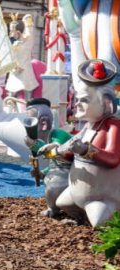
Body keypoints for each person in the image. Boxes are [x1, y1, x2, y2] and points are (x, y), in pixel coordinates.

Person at [38, 59, 120, 227]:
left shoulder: (113, 126)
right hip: (78, 192)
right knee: (62, 203)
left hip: (102, 195)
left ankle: (101, 218)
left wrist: (85, 149)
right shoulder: (89, 126)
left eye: (83, 100)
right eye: (76, 100)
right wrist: (56, 149)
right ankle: (83, 217)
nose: (76, 105)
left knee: (100, 220)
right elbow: (70, 150)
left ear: (106, 103)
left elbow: (113, 158)